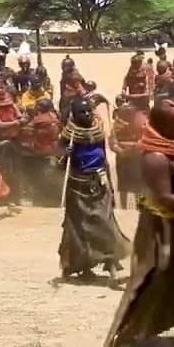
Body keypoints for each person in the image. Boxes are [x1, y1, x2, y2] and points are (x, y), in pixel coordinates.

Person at [101, 100, 174, 347]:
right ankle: (127, 339)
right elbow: (164, 197)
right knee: (154, 277)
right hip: (158, 225)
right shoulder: (154, 156)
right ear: (164, 126)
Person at [57, 97, 129, 284]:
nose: (87, 114)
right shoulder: (68, 135)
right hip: (77, 186)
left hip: (99, 183)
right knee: (78, 228)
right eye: (82, 112)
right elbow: (59, 166)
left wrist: (110, 187)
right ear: (74, 114)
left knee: (106, 223)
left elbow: (103, 158)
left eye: (89, 111)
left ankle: (112, 267)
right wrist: (65, 155)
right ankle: (82, 268)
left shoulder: (98, 133)